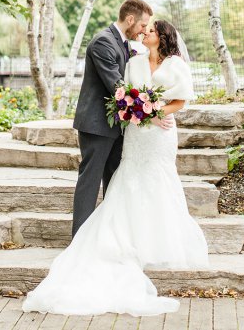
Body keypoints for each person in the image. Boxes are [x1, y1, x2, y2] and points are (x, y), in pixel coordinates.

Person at [22, 19, 209, 317]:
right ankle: (123, 238)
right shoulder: (134, 63)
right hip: (136, 132)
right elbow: (124, 95)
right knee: (129, 177)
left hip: (161, 134)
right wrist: (143, 111)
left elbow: (181, 100)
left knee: (159, 180)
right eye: (144, 29)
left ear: (161, 37)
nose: (144, 33)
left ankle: (158, 238)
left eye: (150, 31)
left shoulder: (175, 64)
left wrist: (158, 111)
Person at [71, 0, 172, 237]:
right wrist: (152, 113)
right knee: (90, 182)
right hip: (96, 127)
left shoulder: (124, 43)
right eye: (142, 24)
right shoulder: (103, 42)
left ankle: (107, 236)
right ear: (130, 20)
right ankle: (80, 240)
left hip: (118, 126)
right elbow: (118, 88)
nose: (143, 30)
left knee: (114, 183)